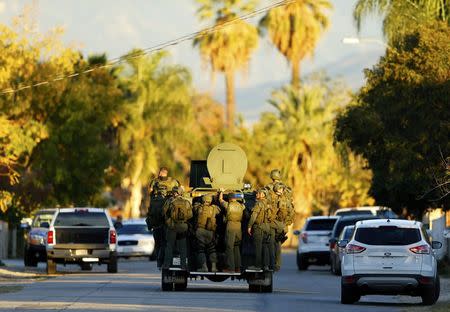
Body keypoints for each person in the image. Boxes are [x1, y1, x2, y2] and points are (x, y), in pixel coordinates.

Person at [144, 167, 180, 269]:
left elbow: (149, 192)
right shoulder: (173, 182)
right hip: (165, 222)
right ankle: (165, 262)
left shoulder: (154, 183)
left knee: (160, 244)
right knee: (167, 243)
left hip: (158, 222)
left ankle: (161, 263)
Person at [162, 186, 192, 270]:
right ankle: (183, 265)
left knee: (169, 246)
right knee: (183, 247)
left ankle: (166, 265)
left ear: (174, 193)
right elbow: (190, 215)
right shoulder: (186, 202)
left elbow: (163, 212)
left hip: (172, 226)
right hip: (183, 227)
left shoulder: (170, 201)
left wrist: (168, 221)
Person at [219, 191, 245, 273]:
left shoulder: (228, 205)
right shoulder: (241, 206)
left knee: (229, 247)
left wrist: (221, 192)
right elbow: (244, 204)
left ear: (229, 199)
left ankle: (230, 268)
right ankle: (238, 267)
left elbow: (220, 200)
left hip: (231, 225)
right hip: (239, 226)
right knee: (236, 247)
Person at [194, 194, 221, 272]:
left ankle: (204, 267)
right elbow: (219, 212)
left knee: (201, 250)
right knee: (212, 249)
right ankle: (213, 267)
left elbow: (194, 209)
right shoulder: (214, 208)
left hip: (200, 231)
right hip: (210, 232)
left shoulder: (199, 208)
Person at [247, 189, 271, 270]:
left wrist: (249, 226)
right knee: (265, 247)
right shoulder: (268, 204)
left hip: (259, 227)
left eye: (259, 193)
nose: (257, 194)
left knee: (258, 247)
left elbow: (254, 216)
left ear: (263, 195)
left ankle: (257, 266)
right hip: (267, 227)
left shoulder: (259, 203)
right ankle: (266, 265)